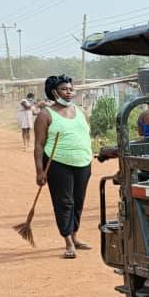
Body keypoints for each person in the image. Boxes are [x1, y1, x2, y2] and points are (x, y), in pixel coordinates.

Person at [33, 75, 94, 259]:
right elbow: (38, 145)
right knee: (64, 203)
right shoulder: (45, 115)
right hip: (58, 164)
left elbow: (85, 134)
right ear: (53, 92)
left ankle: (75, 236)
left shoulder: (81, 111)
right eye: (64, 89)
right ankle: (67, 242)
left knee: (78, 201)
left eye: (70, 89)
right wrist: (39, 170)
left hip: (83, 162)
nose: (69, 92)